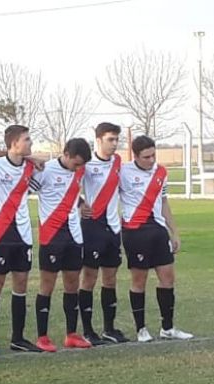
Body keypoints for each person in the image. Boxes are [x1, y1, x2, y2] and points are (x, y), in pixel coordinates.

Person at [120, 135, 193, 342]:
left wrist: (174, 231)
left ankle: (167, 328)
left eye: (153, 155)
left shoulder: (161, 172)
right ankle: (141, 329)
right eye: (146, 157)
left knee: (168, 278)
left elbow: (163, 202)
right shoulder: (123, 172)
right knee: (139, 280)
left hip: (159, 232)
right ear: (135, 156)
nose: (151, 160)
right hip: (135, 232)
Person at [0, 124, 44, 355]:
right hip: (1, 234)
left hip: (23, 235)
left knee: (21, 284)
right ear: (14, 143)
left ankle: (18, 338)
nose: (30, 143)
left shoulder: (31, 167)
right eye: (27, 140)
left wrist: (34, 159)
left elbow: (34, 186)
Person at [31, 137, 94, 352]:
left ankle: (71, 334)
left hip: (74, 235)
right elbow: (22, 191)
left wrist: (82, 203)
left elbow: (70, 194)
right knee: (47, 286)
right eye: (76, 163)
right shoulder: (45, 170)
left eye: (82, 165)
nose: (79, 168)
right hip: (51, 235)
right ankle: (42, 336)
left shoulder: (79, 171)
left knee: (72, 284)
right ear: (65, 154)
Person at [78, 122, 129, 346]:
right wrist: (80, 202)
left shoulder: (118, 162)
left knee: (110, 278)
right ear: (98, 140)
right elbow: (70, 185)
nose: (115, 144)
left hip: (112, 229)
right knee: (89, 278)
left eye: (117, 140)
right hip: (92, 226)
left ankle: (109, 328)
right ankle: (88, 330)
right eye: (111, 139)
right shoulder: (87, 164)